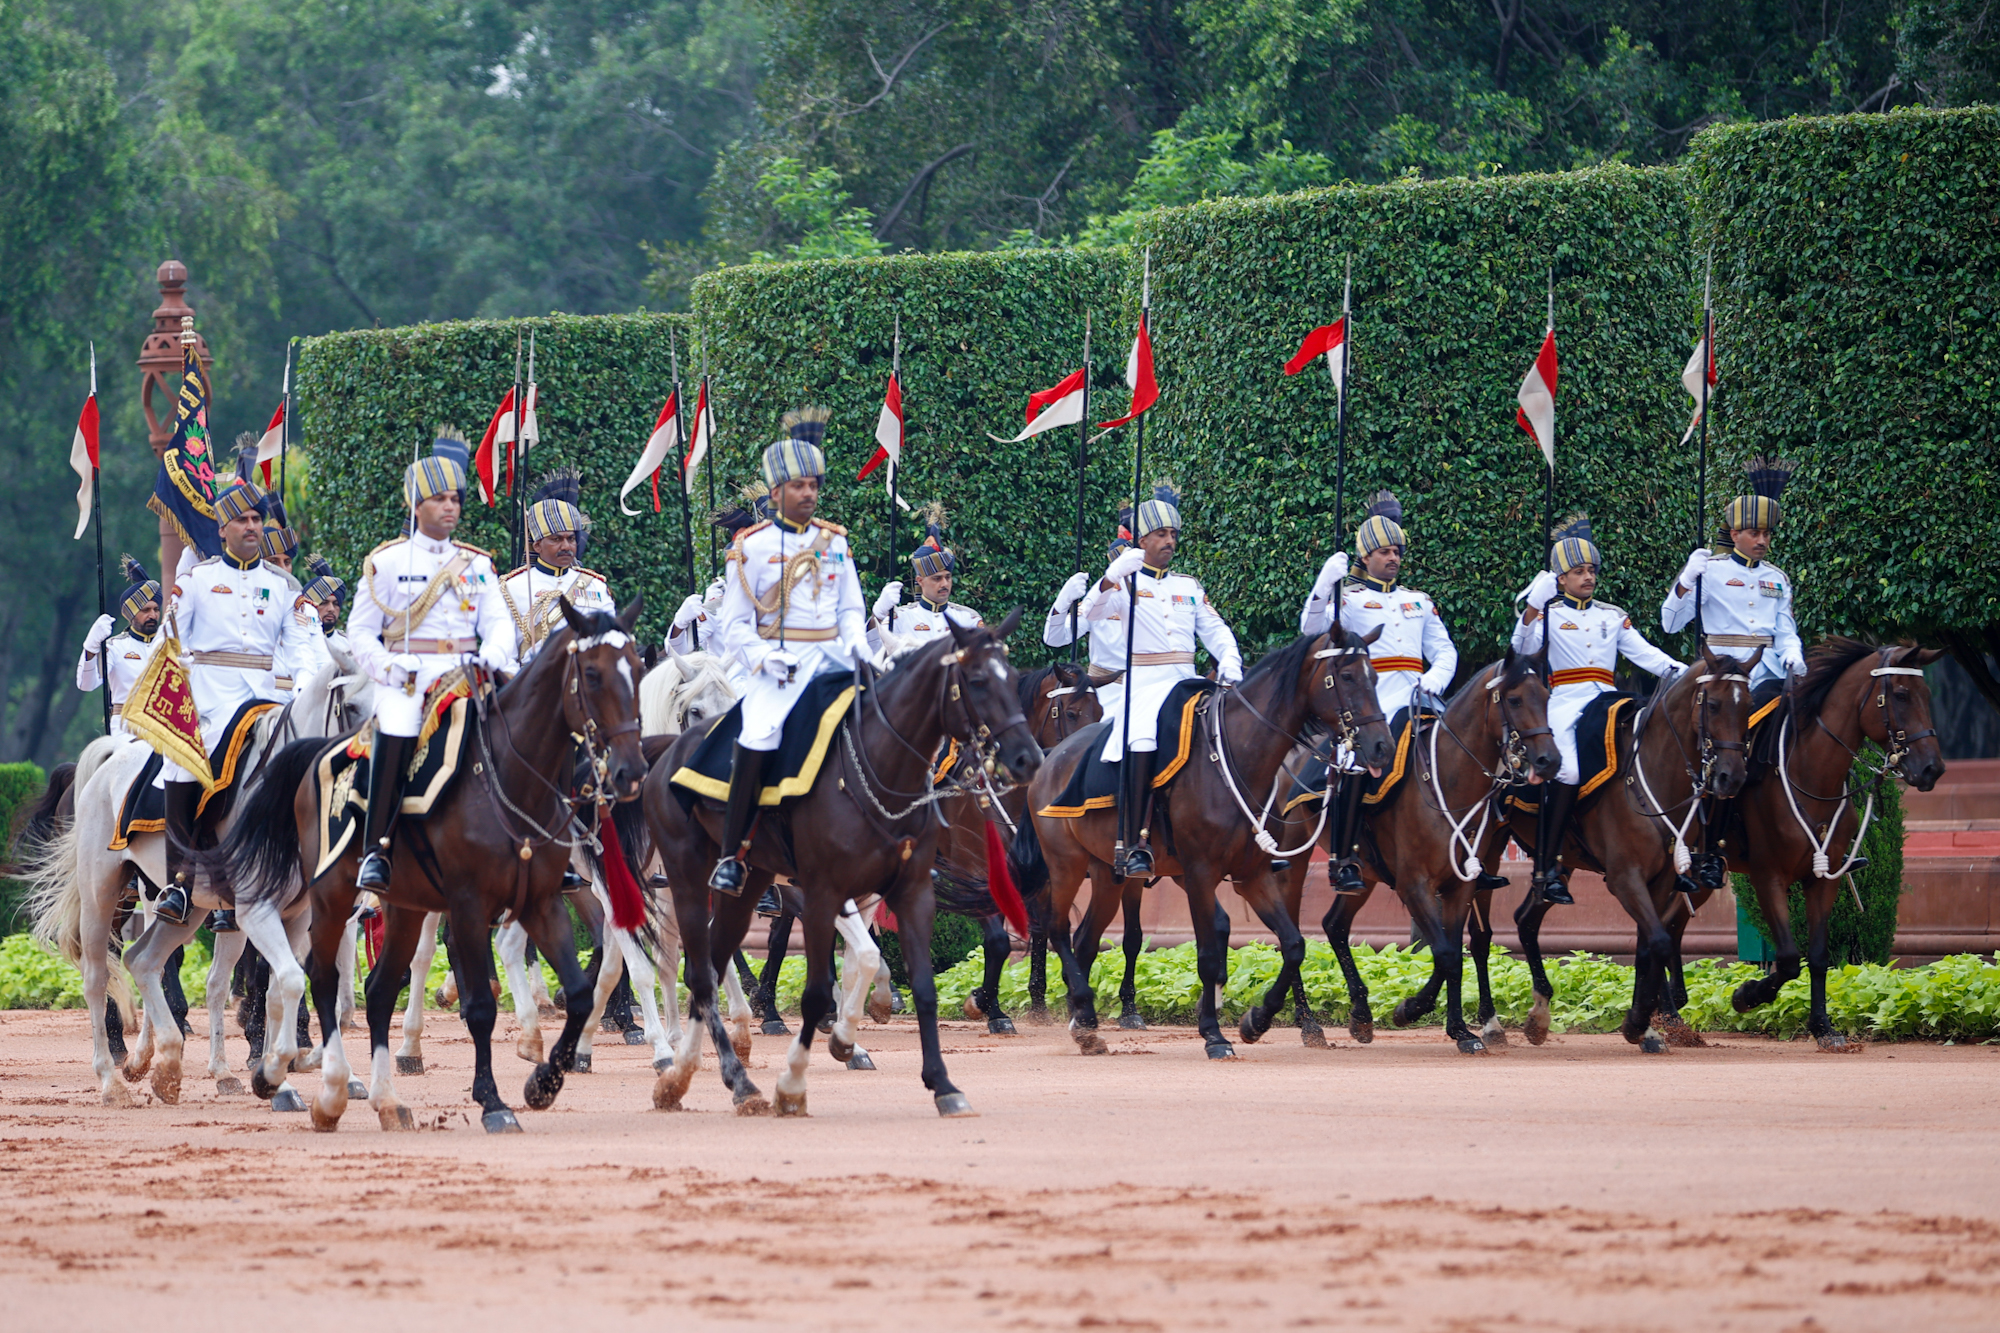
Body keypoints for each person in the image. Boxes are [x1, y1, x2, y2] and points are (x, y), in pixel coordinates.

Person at [706, 407, 876, 894]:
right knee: (757, 736)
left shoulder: (834, 542)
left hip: (835, 661)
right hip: (780, 666)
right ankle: (733, 853)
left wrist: (858, 646)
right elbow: (734, 624)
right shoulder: (752, 547)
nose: (809, 493)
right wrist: (763, 658)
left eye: (814, 485)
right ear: (776, 492)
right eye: (799, 485)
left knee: (894, 719)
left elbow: (850, 608)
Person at [152, 478, 329, 924]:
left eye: (256, 519)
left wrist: (306, 693)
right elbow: (168, 638)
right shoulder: (198, 580)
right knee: (182, 762)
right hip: (210, 698)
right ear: (222, 528)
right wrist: (177, 668)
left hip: (267, 699)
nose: (251, 526)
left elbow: (301, 650)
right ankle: (179, 881)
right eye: (241, 520)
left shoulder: (284, 586)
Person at [346, 433, 516, 892]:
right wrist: (387, 667)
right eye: (439, 499)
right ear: (416, 505)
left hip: (468, 670)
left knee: (526, 723)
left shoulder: (476, 565)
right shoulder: (386, 562)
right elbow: (360, 631)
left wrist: (490, 657)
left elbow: (500, 623)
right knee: (398, 727)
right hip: (410, 676)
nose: (450, 507)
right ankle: (377, 849)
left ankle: (540, 841)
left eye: (455, 499)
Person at [1512, 515, 1684, 904]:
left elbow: (1647, 655)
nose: (1588, 577)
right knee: (1568, 770)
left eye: (1591, 570)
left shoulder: (1611, 614)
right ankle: (1549, 866)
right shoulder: (1549, 614)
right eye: (1578, 572)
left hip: (1609, 699)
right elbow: (1521, 648)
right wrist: (1533, 607)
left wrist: (1688, 674)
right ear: (1561, 579)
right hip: (1566, 702)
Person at [1298, 491, 1459, 894]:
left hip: (1421, 695)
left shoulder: (1418, 601)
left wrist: (1436, 679)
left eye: (1396, 552)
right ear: (1366, 557)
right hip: (1375, 699)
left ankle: (1471, 849)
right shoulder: (1351, 600)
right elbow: (1311, 629)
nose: (1393, 558)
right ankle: (1343, 859)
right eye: (1384, 552)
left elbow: (1445, 651)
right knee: (1353, 761)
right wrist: (1324, 584)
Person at [1080, 482, 1242, 878]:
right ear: (1142, 541)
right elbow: (1088, 614)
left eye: (1173, 534)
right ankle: (1135, 842)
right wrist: (1109, 579)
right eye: (1160, 534)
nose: (1169, 541)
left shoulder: (1188, 586)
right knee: (1141, 738)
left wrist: (1230, 659)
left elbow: (1215, 629)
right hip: (1145, 685)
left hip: (1187, 681)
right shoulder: (1125, 583)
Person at [1659, 456, 1805, 887]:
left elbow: (1785, 630)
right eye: (1754, 533)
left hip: (1770, 674)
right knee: (1727, 749)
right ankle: (1709, 850)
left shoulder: (1777, 578)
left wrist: (1794, 654)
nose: (1762, 540)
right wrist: (1686, 580)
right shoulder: (1712, 572)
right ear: (1735, 533)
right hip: (1723, 679)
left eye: (1767, 534)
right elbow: (1670, 622)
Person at [501, 465, 616, 664]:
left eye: (571, 539)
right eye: (556, 539)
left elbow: (611, 642)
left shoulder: (595, 586)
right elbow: (504, 653)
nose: (566, 546)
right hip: (533, 677)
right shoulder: (512, 587)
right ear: (537, 545)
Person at [871, 502, 983, 654]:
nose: (944, 584)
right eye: (937, 578)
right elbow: (870, 650)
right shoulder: (901, 618)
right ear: (920, 581)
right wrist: (877, 615)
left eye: (948, 577)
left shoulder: (968, 618)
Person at [77, 555, 164, 733]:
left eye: (156, 609)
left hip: (164, 728)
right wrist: (90, 648)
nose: (153, 615)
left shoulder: (170, 645)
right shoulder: (116, 646)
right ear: (131, 614)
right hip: (126, 729)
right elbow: (86, 684)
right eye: (146, 610)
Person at [300, 554, 349, 655]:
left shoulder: (348, 644)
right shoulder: (297, 641)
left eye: (336, 604)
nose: (331, 609)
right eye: (324, 603)